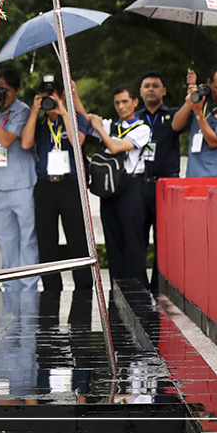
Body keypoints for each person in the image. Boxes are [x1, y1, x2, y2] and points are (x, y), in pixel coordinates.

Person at [20, 76, 93, 291]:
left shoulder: (74, 117)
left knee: (77, 237)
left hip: (70, 184)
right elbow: (25, 143)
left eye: (52, 96)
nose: (48, 101)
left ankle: (84, 287)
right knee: (46, 239)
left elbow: (77, 141)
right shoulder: (40, 122)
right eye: (44, 97)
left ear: (61, 95)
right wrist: (35, 111)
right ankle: (51, 288)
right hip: (45, 186)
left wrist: (63, 110)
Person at [87, 85, 151, 288]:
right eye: (117, 103)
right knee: (112, 240)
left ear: (135, 102)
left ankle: (139, 289)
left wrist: (98, 129)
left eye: (125, 101)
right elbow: (84, 116)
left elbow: (115, 147)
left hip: (131, 186)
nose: (121, 107)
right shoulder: (111, 126)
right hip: (109, 188)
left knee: (133, 240)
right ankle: (117, 289)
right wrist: (73, 95)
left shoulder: (142, 128)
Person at [0, 68, 39, 290]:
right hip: (0, 183)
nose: (2, 94)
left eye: (5, 90)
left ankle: (29, 283)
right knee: (5, 238)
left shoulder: (22, 110)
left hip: (22, 183)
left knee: (27, 236)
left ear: (17, 90)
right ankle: (10, 283)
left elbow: (6, 140)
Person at [136, 71, 180, 289]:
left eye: (155, 85)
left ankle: (160, 287)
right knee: (139, 237)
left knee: (164, 240)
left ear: (164, 90)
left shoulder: (173, 115)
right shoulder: (134, 118)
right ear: (140, 92)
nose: (151, 89)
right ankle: (139, 286)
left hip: (166, 184)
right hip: (141, 183)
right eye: (146, 85)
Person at [172, 65, 217, 178]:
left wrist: (199, 114)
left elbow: (214, 142)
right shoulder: (201, 98)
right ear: (209, 83)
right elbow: (176, 125)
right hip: (194, 174)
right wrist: (190, 102)